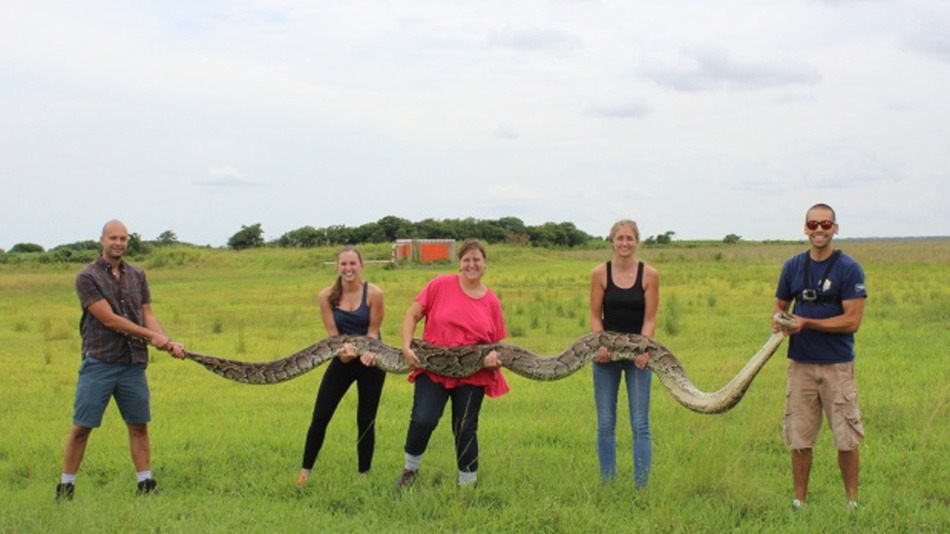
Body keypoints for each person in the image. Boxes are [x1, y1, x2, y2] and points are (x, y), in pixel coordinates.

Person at [57, 220, 185, 502]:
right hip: (100, 362)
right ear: (101, 240)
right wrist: (152, 337)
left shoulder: (137, 274)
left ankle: (146, 484)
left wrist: (168, 341)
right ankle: (66, 488)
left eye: (124, 238)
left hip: (133, 363)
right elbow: (109, 319)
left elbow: (147, 313)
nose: (119, 242)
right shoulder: (87, 277)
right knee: (82, 426)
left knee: (139, 424)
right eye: (113, 237)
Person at [772, 203, 867, 510]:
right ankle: (799, 500)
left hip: (837, 365)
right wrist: (780, 320)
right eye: (813, 224)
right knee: (799, 438)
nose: (819, 230)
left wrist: (807, 322)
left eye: (826, 225)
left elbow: (852, 321)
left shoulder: (849, 268)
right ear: (805, 228)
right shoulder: (792, 267)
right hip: (800, 364)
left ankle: (851, 502)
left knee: (846, 437)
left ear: (835, 228)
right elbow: (780, 308)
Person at [396, 239, 507, 489]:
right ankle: (410, 470)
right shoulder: (440, 284)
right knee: (423, 419)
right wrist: (405, 346)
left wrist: (492, 361)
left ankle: (467, 484)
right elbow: (412, 315)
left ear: (485, 263)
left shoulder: (492, 301)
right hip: (433, 366)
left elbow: (498, 347)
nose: (472, 264)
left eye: (476, 259)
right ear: (460, 263)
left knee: (465, 426)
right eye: (467, 259)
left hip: (472, 372)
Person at [298, 246, 385, 487]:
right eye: (344, 264)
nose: (348, 268)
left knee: (366, 419)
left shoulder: (374, 293)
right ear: (337, 267)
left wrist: (368, 354)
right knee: (321, 415)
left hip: (371, 360)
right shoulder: (326, 296)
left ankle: (363, 475)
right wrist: (345, 357)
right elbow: (332, 336)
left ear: (361, 266)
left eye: (352, 264)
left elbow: (373, 333)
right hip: (342, 358)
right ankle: (304, 473)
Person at [589, 219, 659, 489]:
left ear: (637, 241)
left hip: (638, 359)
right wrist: (600, 346)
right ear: (612, 242)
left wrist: (644, 350)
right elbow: (596, 316)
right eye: (619, 238)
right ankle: (608, 484)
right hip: (605, 357)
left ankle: (641, 486)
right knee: (605, 422)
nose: (624, 243)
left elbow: (650, 319)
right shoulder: (600, 273)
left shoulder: (649, 274)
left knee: (640, 423)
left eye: (629, 238)